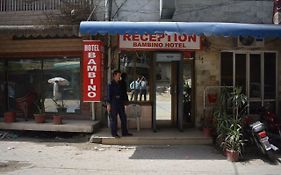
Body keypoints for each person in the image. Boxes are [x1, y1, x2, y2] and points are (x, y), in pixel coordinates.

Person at [106, 70, 132, 138]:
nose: (119, 77)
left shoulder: (120, 84)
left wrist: (125, 101)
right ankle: (114, 133)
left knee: (123, 117)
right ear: (114, 75)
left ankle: (125, 132)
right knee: (114, 119)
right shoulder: (110, 84)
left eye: (120, 76)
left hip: (120, 102)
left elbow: (123, 93)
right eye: (118, 75)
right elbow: (108, 95)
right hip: (113, 102)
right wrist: (108, 104)